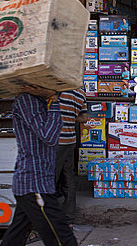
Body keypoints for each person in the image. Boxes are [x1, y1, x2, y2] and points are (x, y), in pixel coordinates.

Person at [0, 85, 77, 246]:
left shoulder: (42, 100)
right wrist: (54, 100)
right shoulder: (28, 100)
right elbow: (48, 136)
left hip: (37, 182)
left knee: (15, 237)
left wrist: (51, 99)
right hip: (35, 182)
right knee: (61, 237)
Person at [56, 88, 87, 226]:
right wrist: (70, 116)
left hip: (56, 141)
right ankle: (68, 217)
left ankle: (46, 218)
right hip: (70, 140)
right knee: (69, 178)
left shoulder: (57, 90)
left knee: (49, 179)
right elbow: (84, 118)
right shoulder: (80, 93)